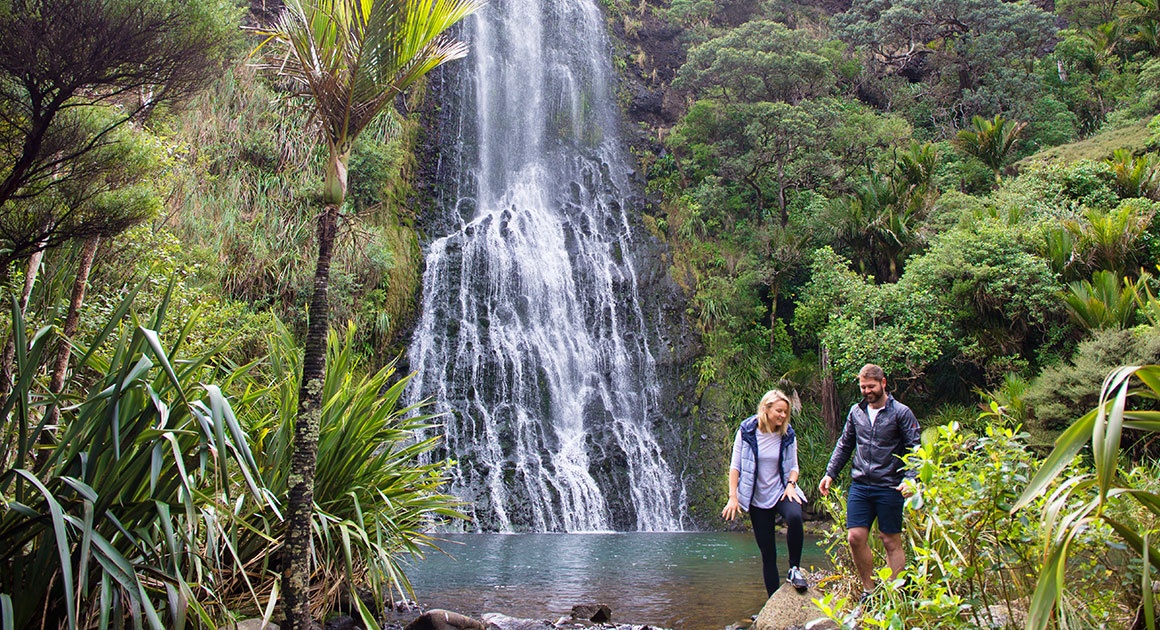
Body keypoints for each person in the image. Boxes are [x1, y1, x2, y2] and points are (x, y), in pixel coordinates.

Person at [817, 364, 921, 603]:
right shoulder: (856, 412)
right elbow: (845, 444)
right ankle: (869, 591)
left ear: (883, 383)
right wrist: (830, 473)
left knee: (890, 540)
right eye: (863, 387)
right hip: (861, 485)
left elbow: (915, 448)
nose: (867, 391)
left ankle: (895, 594)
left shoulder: (901, 413)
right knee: (855, 537)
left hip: (890, 485)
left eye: (871, 386)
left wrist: (911, 479)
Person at [722, 389, 808, 595]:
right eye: (779, 411)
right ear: (765, 409)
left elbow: (794, 467)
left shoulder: (788, 434)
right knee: (768, 553)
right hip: (756, 498)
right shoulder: (747, 431)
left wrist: (791, 484)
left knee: (795, 516)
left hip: (781, 490)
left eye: (785, 412)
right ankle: (772, 603)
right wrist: (733, 497)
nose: (783, 416)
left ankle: (794, 569)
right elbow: (735, 467)